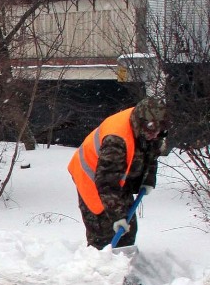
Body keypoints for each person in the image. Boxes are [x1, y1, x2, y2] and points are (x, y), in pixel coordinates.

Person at [68, 97, 169, 249]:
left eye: (158, 131)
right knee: (104, 233)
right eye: (151, 131)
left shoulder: (151, 127)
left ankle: (122, 259)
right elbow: (106, 182)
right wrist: (117, 216)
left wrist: (148, 179)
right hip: (91, 177)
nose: (155, 135)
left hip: (118, 176)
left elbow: (151, 152)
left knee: (128, 231)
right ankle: (99, 262)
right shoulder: (115, 140)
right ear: (140, 122)